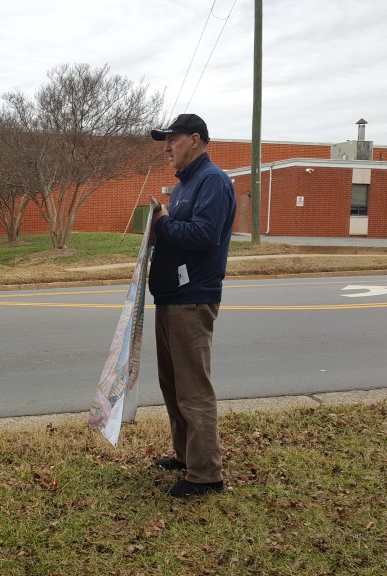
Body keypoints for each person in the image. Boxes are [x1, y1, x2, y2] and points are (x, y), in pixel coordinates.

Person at [147, 114, 236, 497]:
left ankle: (206, 475)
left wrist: (164, 223)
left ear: (195, 139)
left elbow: (205, 235)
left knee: (193, 389)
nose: (167, 147)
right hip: (170, 298)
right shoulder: (185, 185)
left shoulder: (212, 180)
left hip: (192, 299)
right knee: (173, 385)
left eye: (173, 139)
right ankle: (185, 455)